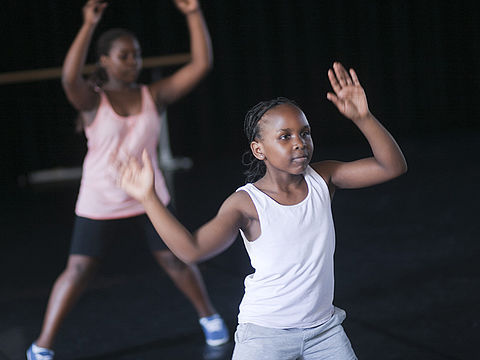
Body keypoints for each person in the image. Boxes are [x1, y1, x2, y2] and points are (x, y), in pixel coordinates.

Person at [117, 62, 408, 359]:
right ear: (259, 150)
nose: (299, 143)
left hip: (325, 331)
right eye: (285, 137)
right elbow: (192, 251)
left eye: (304, 133)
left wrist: (363, 117)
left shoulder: (324, 177)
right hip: (266, 334)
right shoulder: (246, 203)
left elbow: (392, 166)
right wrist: (148, 198)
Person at [26, 1, 229, 359]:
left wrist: (193, 13)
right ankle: (42, 345)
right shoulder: (91, 99)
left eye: (136, 55)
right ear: (104, 60)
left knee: (175, 259)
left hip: (147, 193)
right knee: (78, 269)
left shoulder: (154, 95)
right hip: (100, 195)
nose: (132, 61)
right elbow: (68, 78)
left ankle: (209, 317)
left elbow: (201, 65)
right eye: (123, 56)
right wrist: (89, 24)